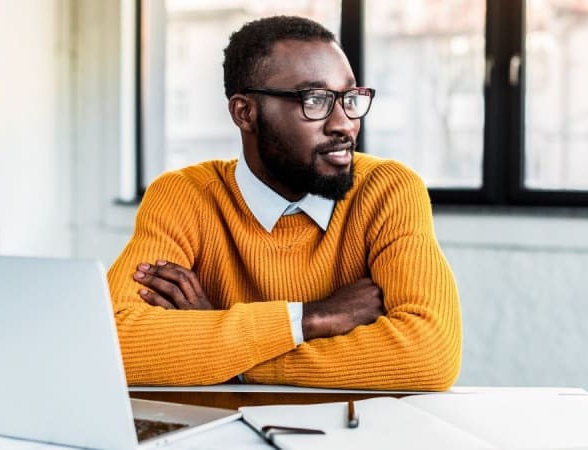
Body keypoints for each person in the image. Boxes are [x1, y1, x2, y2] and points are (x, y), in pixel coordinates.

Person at [107, 15, 461, 390]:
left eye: (350, 98)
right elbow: (111, 340)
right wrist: (311, 318)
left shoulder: (388, 190)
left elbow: (429, 354)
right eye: (316, 99)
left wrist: (230, 357)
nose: (344, 124)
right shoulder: (185, 196)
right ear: (245, 113)